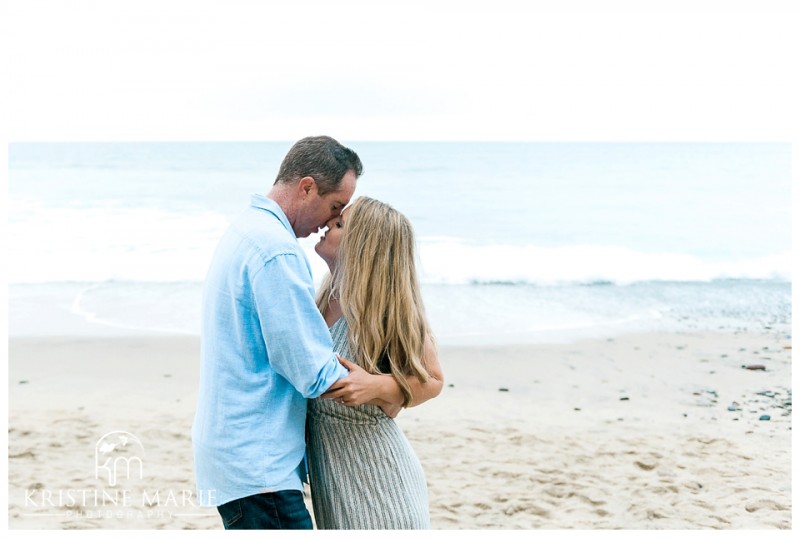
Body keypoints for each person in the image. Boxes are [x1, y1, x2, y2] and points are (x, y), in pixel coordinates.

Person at [192, 136, 366, 530]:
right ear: (306, 187)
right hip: (258, 464)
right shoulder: (277, 251)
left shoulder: (246, 229)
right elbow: (311, 371)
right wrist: (385, 387)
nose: (330, 221)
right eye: (334, 206)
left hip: (236, 453)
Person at [306, 196, 445, 529]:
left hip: (381, 486)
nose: (328, 223)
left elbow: (433, 380)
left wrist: (377, 386)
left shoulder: (383, 309)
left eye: (340, 224)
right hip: (335, 485)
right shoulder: (323, 298)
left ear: (362, 247)